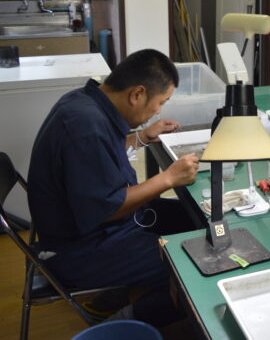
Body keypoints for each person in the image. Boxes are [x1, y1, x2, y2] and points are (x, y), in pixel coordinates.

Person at [27, 49, 199, 327]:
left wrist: (141, 137)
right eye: (161, 102)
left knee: (191, 218)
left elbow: (99, 155)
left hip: (94, 228)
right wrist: (167, 178)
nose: (158, 110)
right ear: (137, 94)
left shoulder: (84, 102)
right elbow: (108, 208)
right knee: (191, 263)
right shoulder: (86, 126)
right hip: (81, 248)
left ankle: (114, 296)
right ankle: (124, 322)